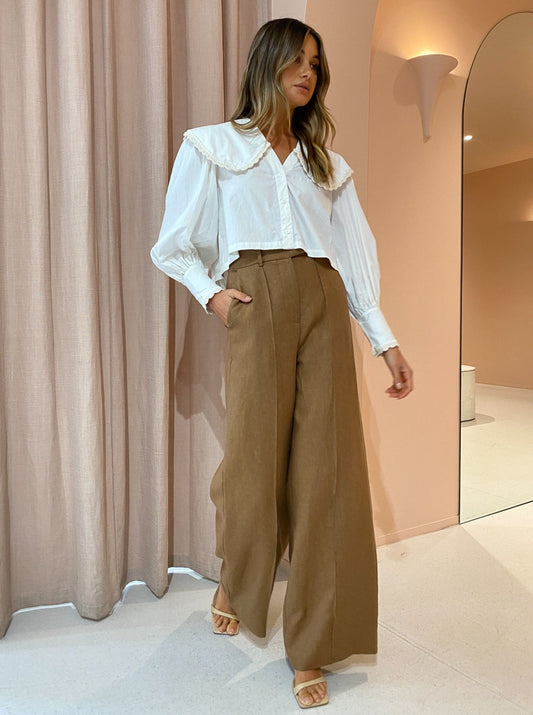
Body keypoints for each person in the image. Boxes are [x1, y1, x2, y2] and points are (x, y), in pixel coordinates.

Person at [151, 17, 413, 709]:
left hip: (322, 298)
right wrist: (213, 295)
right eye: (296, 60)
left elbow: (353, 256)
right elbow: (173, 242)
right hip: (254, 295)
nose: (307, 73)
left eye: (315, 64)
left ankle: (313, 645)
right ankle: (238, 577)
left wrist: (383, 340)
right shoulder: (213, 146)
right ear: (266, 64)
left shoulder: (325, 163)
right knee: (252, 461)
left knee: (327, 473)